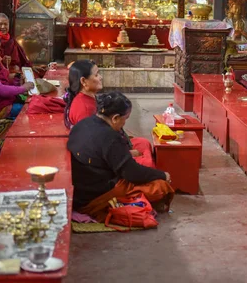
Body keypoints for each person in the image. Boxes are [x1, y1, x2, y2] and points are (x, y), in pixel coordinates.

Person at [67, 92, 174, 221]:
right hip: (93, 196)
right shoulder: (109, 136)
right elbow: (131, 173)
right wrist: (162, 175)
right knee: (161, 187)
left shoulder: (83, 124)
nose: (124, 123)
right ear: (115, 118)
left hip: (80, 188)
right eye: (125, 118)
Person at [64, 60, 155, 168]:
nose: (101, 77)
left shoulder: (89, 98)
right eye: (96, 75)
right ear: (84, 81)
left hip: (111, 144)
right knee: (147, 163)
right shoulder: (84, 109)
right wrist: (128, 154)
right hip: (103, 160)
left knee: (144, 143)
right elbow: (96, 148)